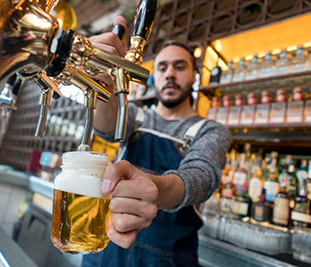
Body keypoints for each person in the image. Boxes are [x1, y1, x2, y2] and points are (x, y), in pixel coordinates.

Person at [82, 16, 231, 267]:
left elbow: (201, 177)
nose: (170, 74)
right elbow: (106, 127)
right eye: (162, 68)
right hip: (107, 251)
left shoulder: (210, 130)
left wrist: (155, 190)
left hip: (168, 259)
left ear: (195, 75)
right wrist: (104, 80)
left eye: (180, 67)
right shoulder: (136, 116)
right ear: (154, 77)